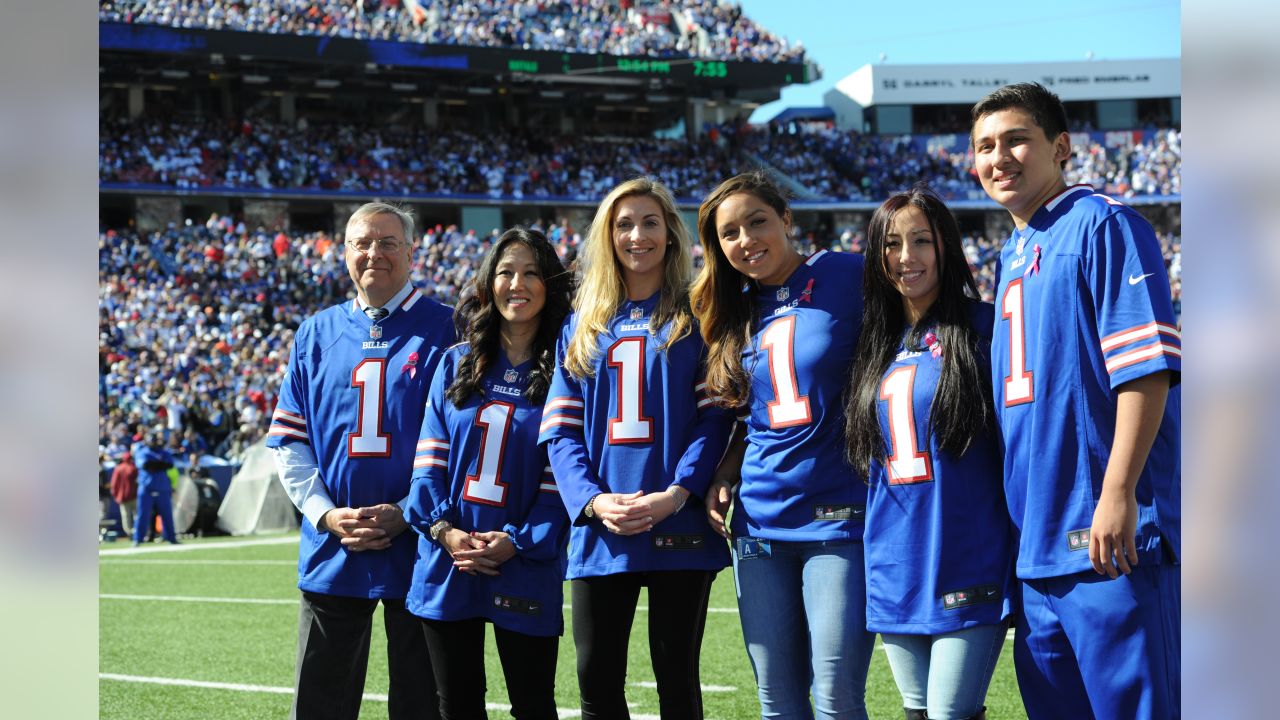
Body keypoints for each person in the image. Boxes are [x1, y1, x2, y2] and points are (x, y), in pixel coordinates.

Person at [971, 82, 1181, 719]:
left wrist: (1117, 493)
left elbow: (1146, 373)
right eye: (984, 146)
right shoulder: (1015, 248)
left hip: (1106, 538)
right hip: (1036, 546)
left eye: (1016, 140)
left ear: (1060, 147)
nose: (999, 157)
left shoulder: (1102, 223)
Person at [538, 177, 732, 720]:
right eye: (624, 224)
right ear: (607, 236)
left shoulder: (698, 315)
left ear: (671, 234)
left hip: (678, 519)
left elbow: (715, 419)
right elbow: (561, 430)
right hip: (604, 523)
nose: (637, 235)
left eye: (650, 222)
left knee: (677, 680)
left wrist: (676, 494)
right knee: (596, 681)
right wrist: (594, 501)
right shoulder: (582, 324)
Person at [690, 171, 875, 719]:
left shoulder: (846, 272)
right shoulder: (732, 310)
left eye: (757, 222)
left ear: (787, 220)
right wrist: (724, 474)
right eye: (729, 234)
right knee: (777, 702)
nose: (746, 240)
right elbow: (753, 421)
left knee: (837, 698)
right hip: (758, 520)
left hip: (838, 515)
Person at [267, 201, 454, 720]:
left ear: (411, 252)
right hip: (333, 543)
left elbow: (464, 445)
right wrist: (326, 513)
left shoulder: (450, 328)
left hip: (421, 543)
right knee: (320, 701)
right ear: (344, 254)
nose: (374, 253)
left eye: (388, 242)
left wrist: (408, 510)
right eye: (362, 243)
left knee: (421, 701)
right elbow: (290, 441)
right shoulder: (314, 333)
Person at [843, 186, 1014, 720]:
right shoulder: (874, 342)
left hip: (968, 555)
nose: (906, 257)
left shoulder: (985, 329)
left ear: (947, 247)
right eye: (892, 243)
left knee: (949, 714)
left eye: (922, 240)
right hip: (896, 560)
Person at [405, 228, 573, 720]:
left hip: (524, 560)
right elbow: (427, 467)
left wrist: (517, 542)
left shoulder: (569, 368)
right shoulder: (454, 363)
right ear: (487, 283)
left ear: (550, 285)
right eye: (505, 272)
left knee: (533, 705)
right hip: (447, 559)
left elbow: (558, 479)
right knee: (455, 706)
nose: (516, 284)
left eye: (530, 273)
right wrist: (445, 532)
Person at [133, 428, 179, 546]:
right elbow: (146, 465)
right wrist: (160, 465)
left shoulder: (163, 452)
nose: (153, 442)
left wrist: (156, 465)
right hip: (146, 488)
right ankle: (138, 539)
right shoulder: (142, 452)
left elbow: (170, 464)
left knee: (167, 514)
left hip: (162, 487)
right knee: (143, 514)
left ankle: (171, 538)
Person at [110, 451, 138, 538]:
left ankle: (130, 533)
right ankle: (138, 531)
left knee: (126, 516)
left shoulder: (118, 468)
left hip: (123, 497)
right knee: (137, 515)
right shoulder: (134, 468)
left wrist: (115, 495)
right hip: (134, 495)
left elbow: (114, 484)